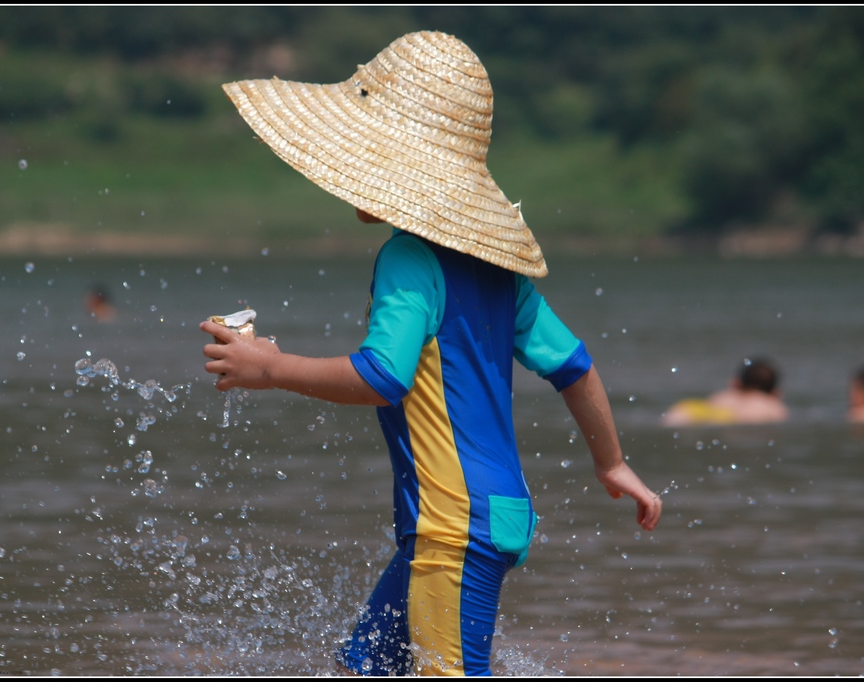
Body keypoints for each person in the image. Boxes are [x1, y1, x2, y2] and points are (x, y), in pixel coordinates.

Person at [200, 31, 661, 676]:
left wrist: (271, 367)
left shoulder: (408, 258)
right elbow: (575, 368)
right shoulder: (501, 273)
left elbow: (382, 376)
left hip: (454, 524)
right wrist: (611, 464)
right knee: (365, 665)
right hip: (487, 513)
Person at [662, 357, 789, 426]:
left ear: (735, 384)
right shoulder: (772, 406)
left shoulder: (723, 397)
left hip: (696, 409)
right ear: (775, 393)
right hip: (737, 419)